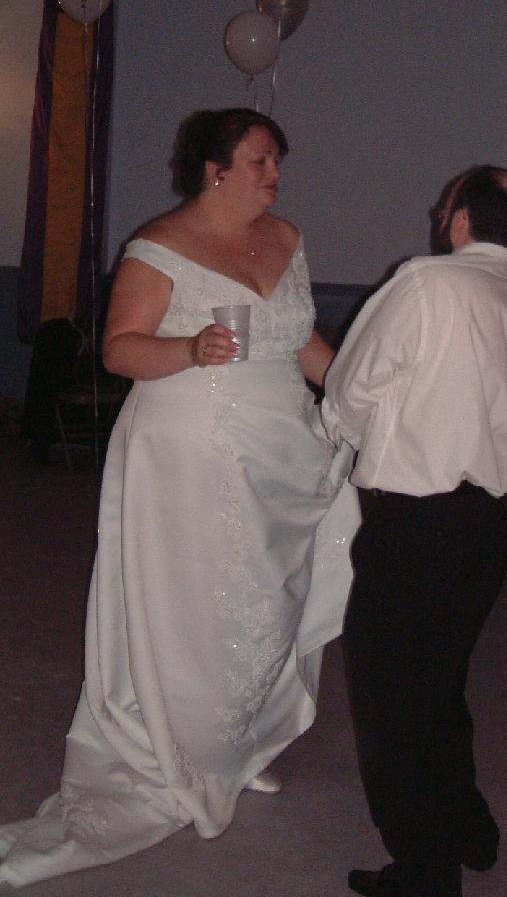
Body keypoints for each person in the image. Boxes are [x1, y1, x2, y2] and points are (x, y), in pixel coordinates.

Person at [0, 108, 359, 889]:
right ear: (214, 169)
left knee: (266, 601)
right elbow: (120, 350)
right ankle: (183, 751)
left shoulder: (286, 238)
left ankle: (237, 745)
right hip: (190, 455)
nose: (275, 175)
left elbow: (297, 338)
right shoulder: (158, 246)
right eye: (261, 161)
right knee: (196, 605)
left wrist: (357, 395)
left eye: (277, 161)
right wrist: (191, 348)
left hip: (281, 452)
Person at [322, 165, 507, 897]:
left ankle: (425, 871)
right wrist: (495, 472)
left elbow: (350, 387)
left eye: (445, 205)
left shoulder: (424, 284)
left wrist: (351, 436)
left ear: (459, 218)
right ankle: (470, 830)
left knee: (389, 703)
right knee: (438, 686)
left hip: (412, 524)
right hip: (482, 529)